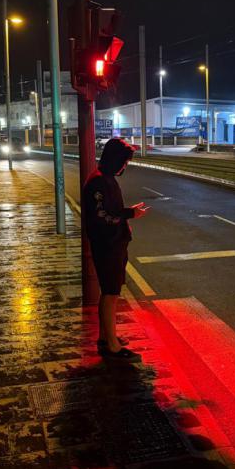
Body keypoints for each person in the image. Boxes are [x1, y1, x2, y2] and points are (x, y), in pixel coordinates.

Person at [82, 138, 149, 362]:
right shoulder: (99, 182)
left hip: (112, 244)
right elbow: (103, 216)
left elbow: (109, 211)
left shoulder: (105, 178)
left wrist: (129, 212)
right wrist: (130, 214)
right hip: (107, 245)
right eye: (124, 162)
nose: (124, 166)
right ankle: (112, 346)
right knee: (110, 294)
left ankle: (107, 338)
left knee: (109, 293)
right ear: (115, 159)